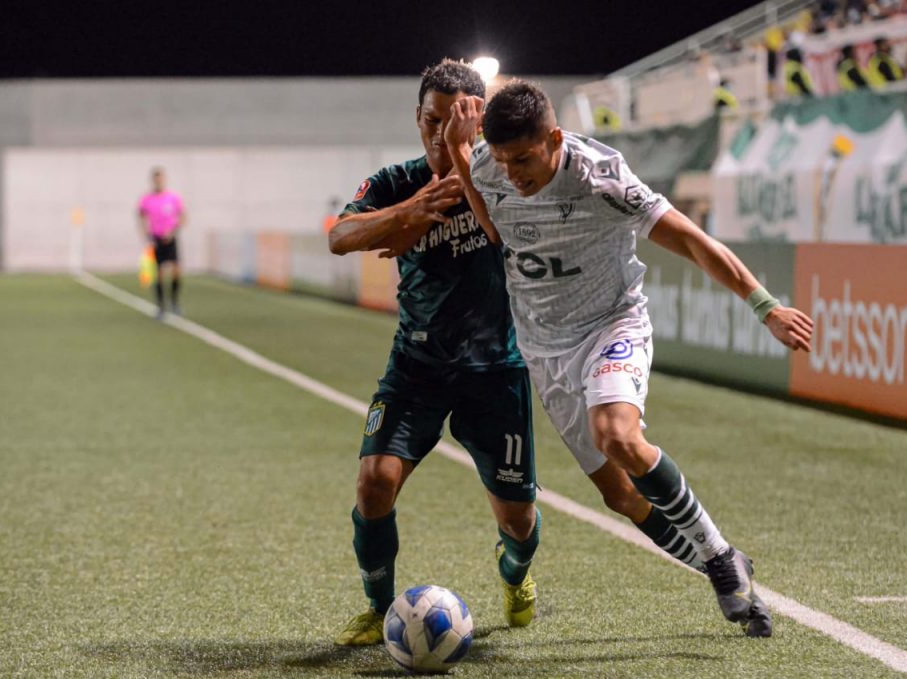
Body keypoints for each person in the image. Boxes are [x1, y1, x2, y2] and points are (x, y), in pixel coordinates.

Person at [445, 81, 815, 638]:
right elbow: (492, 218)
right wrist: (458, 152)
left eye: (523, 158)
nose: (512, 172)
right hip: (544, 348)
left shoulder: (600, 177)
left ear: (554, 139)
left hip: (609, 324)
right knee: (618, 494)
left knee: (616, 433)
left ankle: (718, 557)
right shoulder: (490, 165)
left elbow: (691, 240)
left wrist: (765, 307)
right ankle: (734, 574)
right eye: (501, 160)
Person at [326, 59, 541, 646]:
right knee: (373, 482)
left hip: (495, 370)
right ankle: (377, 607)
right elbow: (340, 235)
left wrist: (466, 175)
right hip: (415, 367)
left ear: (476, 121)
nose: (439, 132)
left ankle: (515, 571)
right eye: (430, 119)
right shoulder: (394, 180)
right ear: (416, 117)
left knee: (519, 522)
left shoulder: (505, 177)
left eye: (454, 122)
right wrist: (411, 211)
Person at [137, 167, 185, 317]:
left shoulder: (173, 198)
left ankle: (174, 302)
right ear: (153, 180)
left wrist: (172, 231)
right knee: (159, 273)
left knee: (176, 270)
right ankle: (160, 306)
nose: (159, 181)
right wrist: (146, 233)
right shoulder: (147, 199)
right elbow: (141, 216)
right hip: (156, 238)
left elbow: (183, 216)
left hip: (170, 238)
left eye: (161, 178)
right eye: (156, 179)